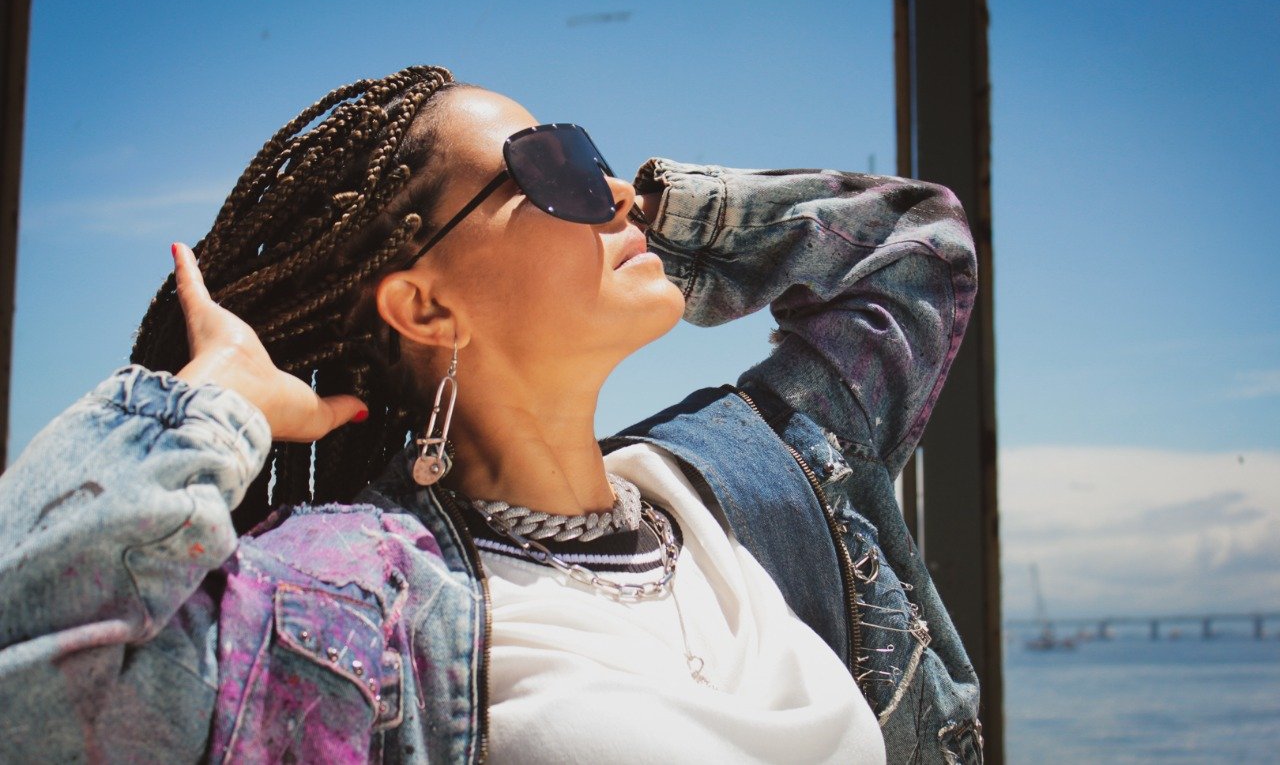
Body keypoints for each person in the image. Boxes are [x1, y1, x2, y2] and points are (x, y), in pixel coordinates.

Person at [0, 65, 982, 763]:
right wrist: (208, 402)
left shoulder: (760, 477)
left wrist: (665, 221)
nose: (612, 193)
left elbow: (910, 249)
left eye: (587, 156)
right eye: (547, 170)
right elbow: (33, 696)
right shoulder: (354, 603)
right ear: (424, 307)